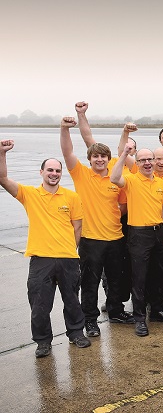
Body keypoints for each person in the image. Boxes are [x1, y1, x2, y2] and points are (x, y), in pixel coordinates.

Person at [0, 139, 91, 357]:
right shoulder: (29, 194)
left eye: (57, 170)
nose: (54, 173)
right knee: (39, 305)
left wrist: (69, 250)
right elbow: (2, 178)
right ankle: (43, 342)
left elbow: (77, 228)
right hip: (41, 260)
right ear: (41, 172)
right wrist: (2, 153)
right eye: (49, 170)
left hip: (68, 258)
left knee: (72, 301)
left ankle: (76, 333)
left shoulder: (71, 197)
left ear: (61, 174)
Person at [60, 114, 132, 339]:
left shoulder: (116, 178)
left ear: (109, 159)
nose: (99, 160)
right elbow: (67, 152)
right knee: (89, 283)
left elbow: (123, 207)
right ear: (90, 159)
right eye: (96, 157)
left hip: (115, 238)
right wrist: (65, 129)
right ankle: (90, 320)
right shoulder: (81, 174)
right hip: (90, 241)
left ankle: (116, 311)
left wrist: (106, 217)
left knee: (115, 279)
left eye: (103, 157)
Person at [111, 141, 163, 337]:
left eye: (150, 159)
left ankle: (156, 311)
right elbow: (114, 177)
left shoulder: (160, 182)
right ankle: (140, 317)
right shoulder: (130, 180)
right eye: (143, 160)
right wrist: (124, 153)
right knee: (139, 277)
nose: (148, 163)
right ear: (137, 163)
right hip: (139, 234)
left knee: (157, 274)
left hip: (158, 233)